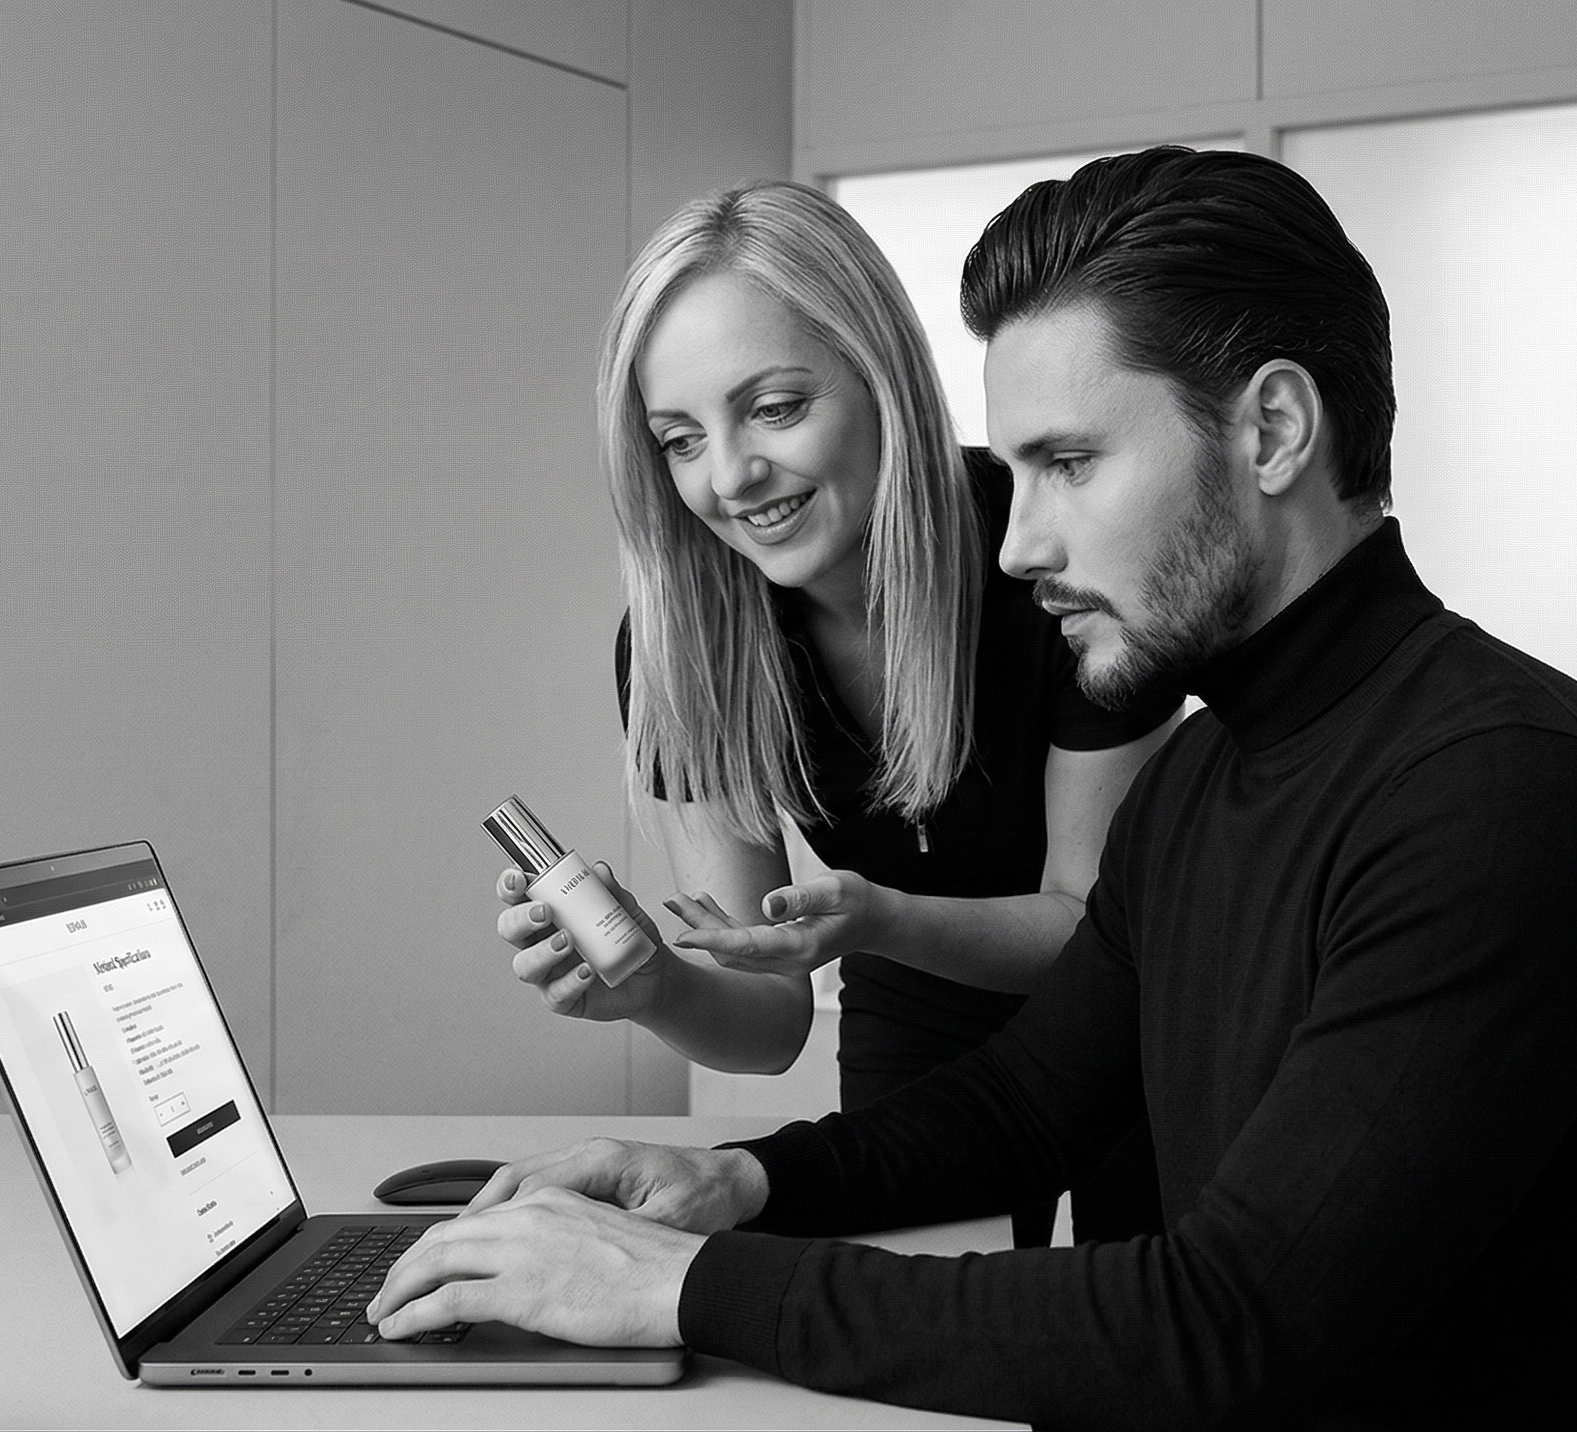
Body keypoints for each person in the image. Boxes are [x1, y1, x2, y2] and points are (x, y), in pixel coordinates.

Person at [379, 147, 1577, 1428]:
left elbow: (1229, 1324)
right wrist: (727, 1181)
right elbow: (1021, 1107)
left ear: (1271, 431)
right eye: (1014, 472)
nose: (1015, 545)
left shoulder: (1499, 799)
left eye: (1068, 465)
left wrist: (678, 1288)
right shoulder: (1204, 775)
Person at [496, 180, 1178, 1243]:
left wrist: (879, 919)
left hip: (1136, 1003)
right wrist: (652, 984)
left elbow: (1088, 930)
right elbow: (766, 1024)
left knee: (1131, 1305)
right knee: (907, 1310)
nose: (731, 478)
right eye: (679, 439)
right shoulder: (682, 647)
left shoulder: (1044, 553)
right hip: (912, 1000)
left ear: (879, 375)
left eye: (774, 409)